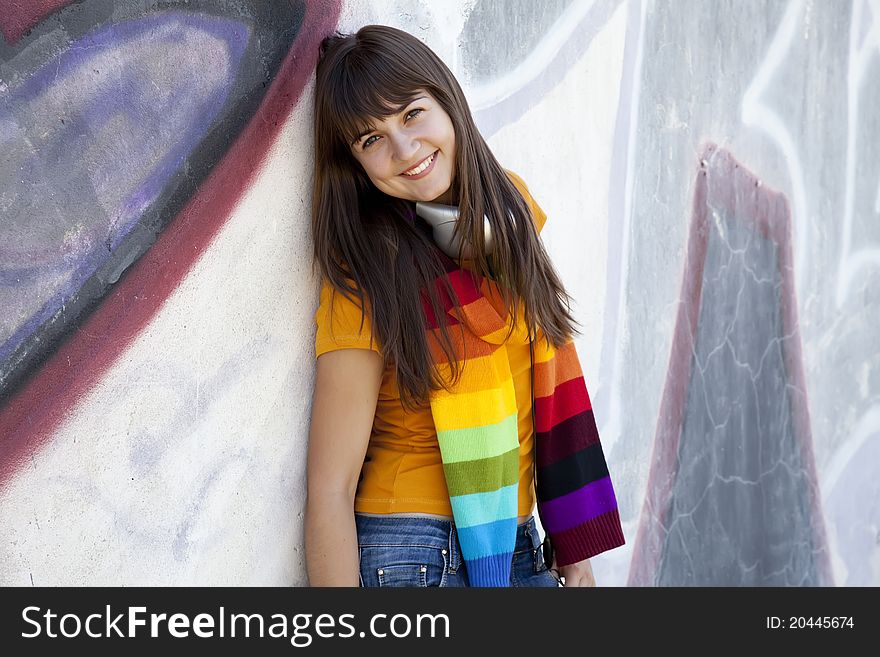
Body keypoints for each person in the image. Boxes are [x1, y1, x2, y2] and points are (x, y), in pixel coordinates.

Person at [304, 24, 624, 587]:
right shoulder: (367, 268)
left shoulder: (511, 214)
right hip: (412, 553)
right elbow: (330, 487)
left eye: (411, 114)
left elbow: (545, 384)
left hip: (519, 545)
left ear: (446, 100)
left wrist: (576, 556)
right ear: (354, 165)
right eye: (370, 140)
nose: (405, 151)